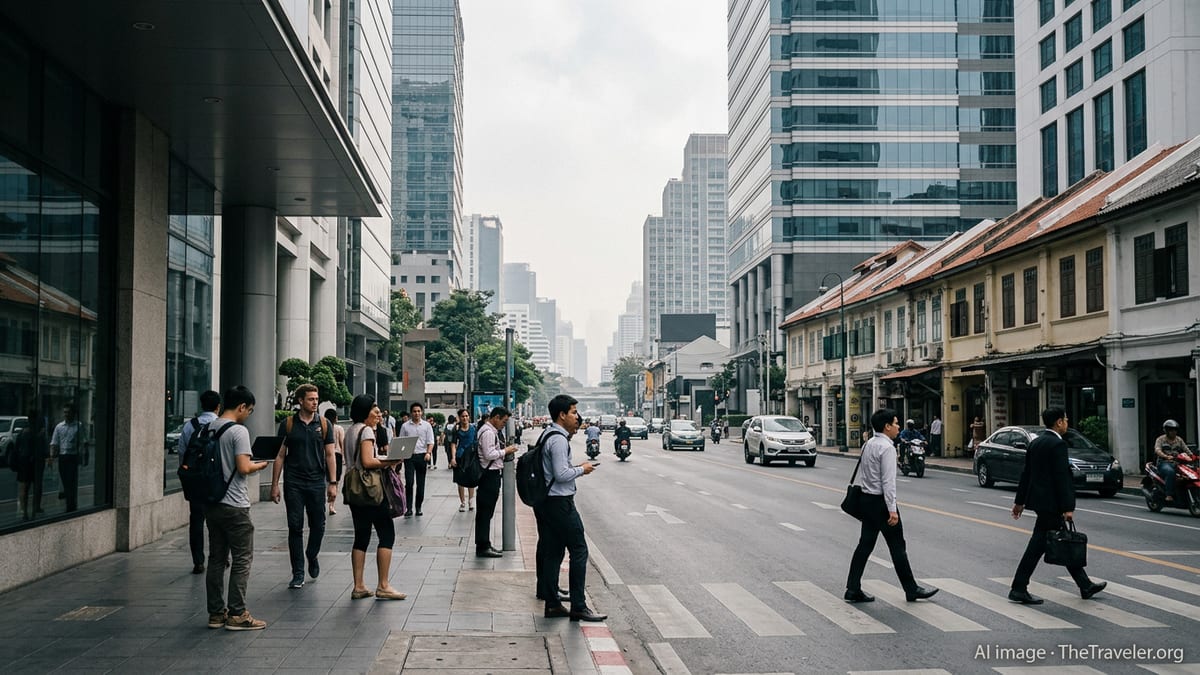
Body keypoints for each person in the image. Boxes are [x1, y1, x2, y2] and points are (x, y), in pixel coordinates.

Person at [1008, 407, 1106, 604]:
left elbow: (1026, 474)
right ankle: (1018, 587)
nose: (1067, 423)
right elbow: (1062, 478)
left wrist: (1019, 502)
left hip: (1040, 503)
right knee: (1041, 546)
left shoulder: (1036, 443)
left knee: (1060, 542)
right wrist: (1068, 507)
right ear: (1059, 422)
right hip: (1052, 505)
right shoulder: (1057, 445)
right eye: (1066, 420)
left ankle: (1084, 585)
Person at [844, 408, 938, 604]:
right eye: (896, 423)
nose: (898, 427)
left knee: (865, 545)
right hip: (881, 504)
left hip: (867, 501)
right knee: (897, 546)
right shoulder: (887, 448)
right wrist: (892, 510)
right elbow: (888, 482)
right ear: (887, 426)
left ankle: (852, 588)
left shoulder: (868, 444)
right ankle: (911, 589)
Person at [204, 385, 270, 630]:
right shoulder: (238, 431)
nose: (248, 414)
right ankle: (237, 613)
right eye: (249, 410)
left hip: (212, 502)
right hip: (235, 504)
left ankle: (215, 614)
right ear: (241, 406)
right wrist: (260, 465)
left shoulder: (208, 427)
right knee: (242, 559)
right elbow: (243, 467)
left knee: (216, 559)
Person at [537, 394, 605, 621]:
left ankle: (553, 603)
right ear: (562, 414)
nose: (577, 416)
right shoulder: (558, 439)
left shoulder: (549, 434)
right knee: (579, 550)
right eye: (574, 412)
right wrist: (581, 469)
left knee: (554, 551)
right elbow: (561, 474)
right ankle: (578, 605)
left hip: (550, 502)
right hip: (560, 503)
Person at [270, 383, 337, 589]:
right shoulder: (288, 424)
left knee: (319, 524)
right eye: (311, 399)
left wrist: (332, 483)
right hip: (294, 483)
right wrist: (275, 485)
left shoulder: (324, 424)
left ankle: (312, 554)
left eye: (316, 399)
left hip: (317, 482)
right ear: (300, 401)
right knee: (295, 527)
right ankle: (298, 572)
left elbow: (330, 454)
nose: (315, 402)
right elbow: (280, 455)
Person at [344, 394, 407, 601]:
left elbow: (358, 461)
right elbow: (368, 462)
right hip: (371, 490)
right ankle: (383, 585)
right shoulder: (367, 431)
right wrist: (390, 461)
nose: (378, 413)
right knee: (386, 534)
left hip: (355, 491)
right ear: (365, 411)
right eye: (374, 409)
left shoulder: (350, 430)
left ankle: (359, 586)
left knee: (361, 537)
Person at [178, 390, 222, 574]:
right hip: (215, 479)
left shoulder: (190, 425)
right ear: (218, 406)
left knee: (196, 519)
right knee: (218, 519)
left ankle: (198, 561)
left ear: (201, 405)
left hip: (195, 479)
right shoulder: (221, 425)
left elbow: (182, 452)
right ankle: (219, 557)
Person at [475, 406, 518, 557]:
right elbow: (489, 454)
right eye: (504, 421)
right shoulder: (488, 432)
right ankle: (482, 546)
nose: (504, 425)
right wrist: (506, 451)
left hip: (491, 475)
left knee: (487, 512)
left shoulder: (491, 431)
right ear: (496, 418)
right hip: (489, 476)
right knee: (485, 513)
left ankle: (485, 543)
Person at [49, 404, 89, 512]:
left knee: (71, 481)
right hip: (63, 457)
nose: (66, 414)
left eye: (68, 412)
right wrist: (51, 458)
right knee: (65, 481)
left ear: (73, 414)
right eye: (65, 412)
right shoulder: (59, 427)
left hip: (73, 457)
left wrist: (84, 456)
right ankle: (69, 502)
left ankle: (71, 505)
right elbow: (54, 443)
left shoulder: (78, 426)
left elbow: (83, 442)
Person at [399, 403, 435, 517]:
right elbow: (401, 441)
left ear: (422, 412)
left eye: (419, 411)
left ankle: (418, 506)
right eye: (414, 411)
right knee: (409, 483)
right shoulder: (405, 426)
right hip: (409, 457)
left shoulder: (426, 426)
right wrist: (401, 455)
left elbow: (431, 441)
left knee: (421, 483)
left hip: (422, 456)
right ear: (411, 413)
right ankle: (408, 508)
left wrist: (428, 453)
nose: (417, 413)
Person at [13, 411, 48, 521]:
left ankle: (25, 512)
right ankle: (35, 508)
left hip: (24, 463)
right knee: (35, 486)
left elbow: (16, 448)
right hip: (33, 463)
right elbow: (44, 450)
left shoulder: (23, 432)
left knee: (25, 487)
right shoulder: (39, 434)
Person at [1154, 419, 1189, 503]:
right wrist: (1166, 456)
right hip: (1164, 463)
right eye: (1171, 430)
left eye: (1175, 430)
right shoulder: (1160, 439)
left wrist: (1192, 456)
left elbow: (1187, 450)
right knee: (1170, 472)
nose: (1173, 432)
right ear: (1166, 431)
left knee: (1189, 474)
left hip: (1177, 463)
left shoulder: (1179, 440)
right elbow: (1157, 450)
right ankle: (1169, 494)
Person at [448, 408, 477, 512]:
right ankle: (462, 502)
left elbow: (476, 442)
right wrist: (453, 458)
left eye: (466, 416)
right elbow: (453, 444)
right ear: (459, 418)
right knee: (460, 480)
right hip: (460, 456)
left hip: (472, 457)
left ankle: (471, 500)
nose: (465, 418)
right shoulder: (456, 429)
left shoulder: (474, 428)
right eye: (463, 416)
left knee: (471, 479)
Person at [324, 408, 345, 515]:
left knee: (325, 479)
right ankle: (332, 505)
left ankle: (326, 496)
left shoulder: (323, 427)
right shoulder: (339, 428)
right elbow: (342, 443)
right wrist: (345, 458)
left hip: (323, 456)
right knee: (335, 481)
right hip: (336, 456)